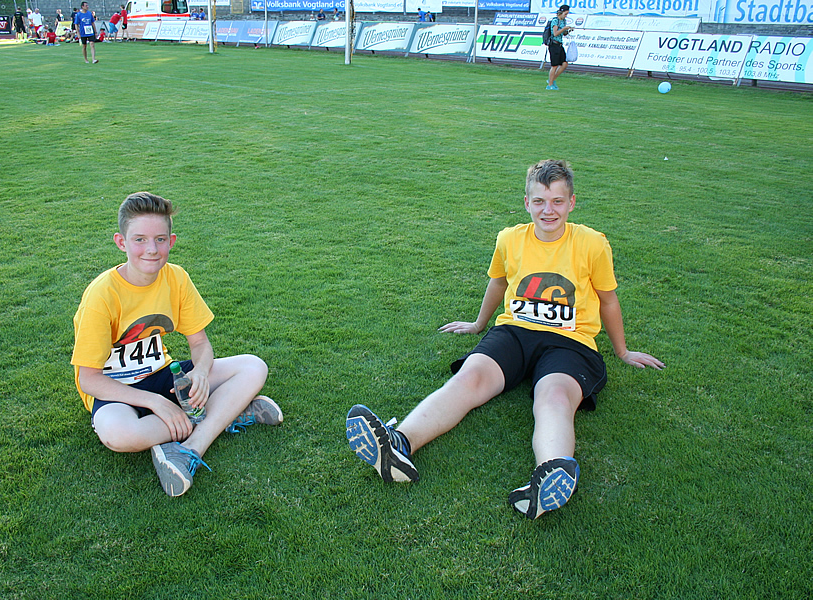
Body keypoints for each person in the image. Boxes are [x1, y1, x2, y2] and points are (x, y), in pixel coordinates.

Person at [345, 160, 664, 519]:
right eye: (539, 201)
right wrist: (478, 324)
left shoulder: (592, 243)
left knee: (554, 397)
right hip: (514, 332)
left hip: (569, 343)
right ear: (527, 203)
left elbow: (608, 300)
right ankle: (398, 445)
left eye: (557, 201)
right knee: (468, 378)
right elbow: (498, 282)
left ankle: (550, 477)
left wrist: (622, 351)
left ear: (572, 203)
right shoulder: (510, 239)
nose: (548, 210)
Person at [72, 192, 282, 497]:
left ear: (171, 241)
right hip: (116, 391)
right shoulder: (102, 295)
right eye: (140, 240)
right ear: (121, 242)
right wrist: (156, 403)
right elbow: (88, 379)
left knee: (253, 366)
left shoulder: (176, 278)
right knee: (118, 435)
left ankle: (191, 447)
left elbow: (200, 343)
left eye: (160, 239)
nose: (151, 249)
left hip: (164, 377)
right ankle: (228, 412)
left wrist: (201, 372)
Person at [546, 4, 575, 91]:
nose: (566, 16)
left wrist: (568, 30)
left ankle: (552, 80)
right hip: (554, 44)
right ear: (561, 13)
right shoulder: (555, 21)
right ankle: (550, 85)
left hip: (559, 44)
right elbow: (555, 33)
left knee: (564, 63)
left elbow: (563, 33)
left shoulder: (563, 21)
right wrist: (564, 29)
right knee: (554, 65)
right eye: (565, 14)